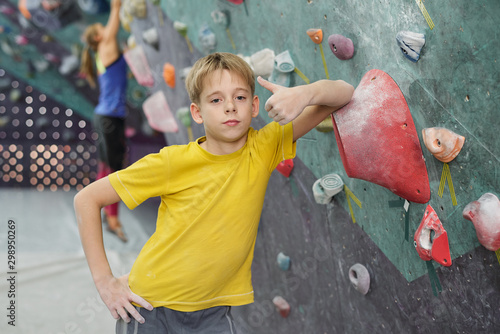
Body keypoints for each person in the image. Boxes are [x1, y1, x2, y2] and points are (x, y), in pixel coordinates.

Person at [74, 52, 354, 333]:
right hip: (151, 308)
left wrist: (305, 94)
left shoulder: (263, 148)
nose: (230, 107)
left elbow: (344, 94)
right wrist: (105, 282)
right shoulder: (172, 162)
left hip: (214, 315)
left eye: (240, 97)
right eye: (216, 100)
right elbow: (86, 199)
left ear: (254, 106)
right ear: (197, 112)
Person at [79, 0, 128, 242]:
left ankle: (97, 206)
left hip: (106, 116)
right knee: (114, 170)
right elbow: (116, 10)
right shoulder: (105, 46)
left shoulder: (103, 53)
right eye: (102, 30)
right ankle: (112, 219)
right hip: (109, 118)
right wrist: (116, 6)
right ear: (98, 38)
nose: (105, 32)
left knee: (105, 167)